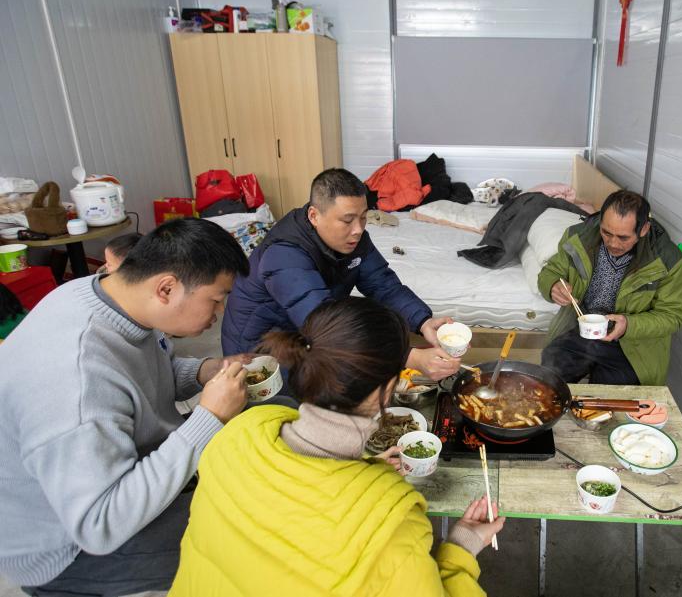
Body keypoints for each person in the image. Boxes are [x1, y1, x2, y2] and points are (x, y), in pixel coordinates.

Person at [170, 297, 504, 596]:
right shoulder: (390, 527)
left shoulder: (235, 435)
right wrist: (462, 548)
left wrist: (364, 470)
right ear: (387, 389)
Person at [0, 218, 252, 596]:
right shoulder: (76, 379)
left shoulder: (108, 297)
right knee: (246, 537)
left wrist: (205, 371)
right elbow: (100, 524)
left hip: (115, 465)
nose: (218, 313)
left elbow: (142, 376)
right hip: (69, 547)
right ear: (166, 288)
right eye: (215, 300)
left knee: (246, 453)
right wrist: (209, 417)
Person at [222, 168, 460, 380]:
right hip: (259, 352)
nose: (358, 230)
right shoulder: (284, 255)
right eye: (347, 220)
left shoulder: (354, 240)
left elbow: (383, 285)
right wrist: (408, 357)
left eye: (363, 217)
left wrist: (423, 321)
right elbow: (324, 324)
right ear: (314, 216)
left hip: (303, 334)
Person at [538, 190, 682, 385]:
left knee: (608, 396)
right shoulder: (579, 237)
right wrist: (552, 285)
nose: (612, 243)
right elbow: (551, 271)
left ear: (643, 229)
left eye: (623, 237)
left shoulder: (668, 260)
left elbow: (672, 316)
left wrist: (628, 325)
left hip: (632, 345)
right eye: (606, 233)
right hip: (582, 328)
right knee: (550, 379)